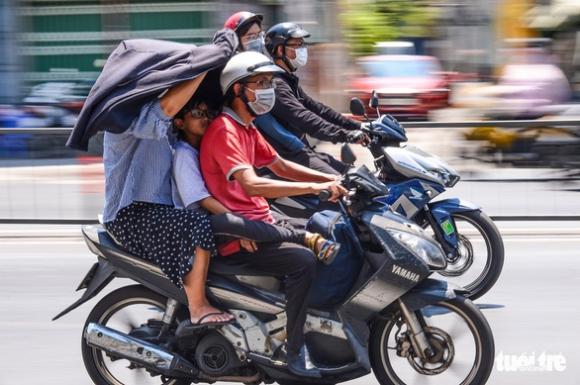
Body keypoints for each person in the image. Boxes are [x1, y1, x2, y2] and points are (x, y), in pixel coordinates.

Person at [200, 51, 346, 378]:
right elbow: (251, 185)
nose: (268, 89)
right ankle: (293, 351)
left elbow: (279, 166)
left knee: (326, 230)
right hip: (240, 232)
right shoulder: (226, 130)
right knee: (303, 262)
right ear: (238, 90)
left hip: (260, 221)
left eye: (269, 82)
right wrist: (314, 189)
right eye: (261, 83)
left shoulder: (247, 127)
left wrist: (332, 179)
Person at [171, 96, 340, 263]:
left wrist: (331, 178)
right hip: (204, 223)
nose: (206, 118)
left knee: (280, 218)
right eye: (197, 114)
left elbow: (280, 166)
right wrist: (243, 228)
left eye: (207, 113)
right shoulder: (184, 154)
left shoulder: (216, 140)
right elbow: (204, 201)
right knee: (236, 224)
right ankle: (302, 237)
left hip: (228, 213)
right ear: (180, 123)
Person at [260, 22, 370, 175]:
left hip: (301, 151)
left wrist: (358, 127)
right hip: (288, 157)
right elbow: (303, 117)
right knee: (341, 184)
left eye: (303, 44)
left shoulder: (288, 80)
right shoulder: (276, 85)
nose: (303, 49)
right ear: (280, 49)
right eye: (297, 45)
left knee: (354, 174)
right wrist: (345, 135)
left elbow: (318, 109)